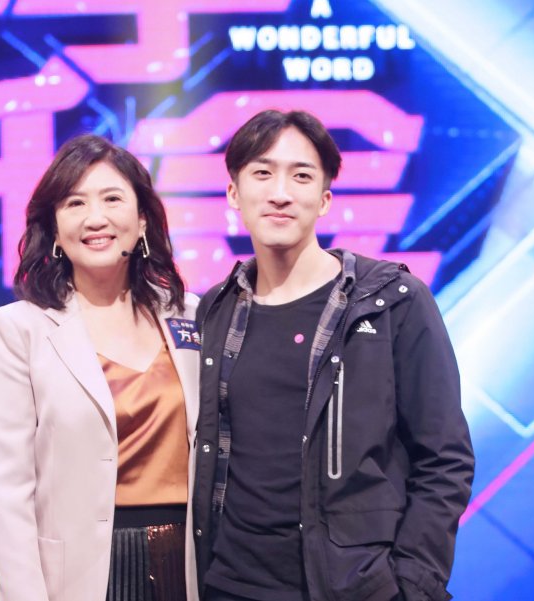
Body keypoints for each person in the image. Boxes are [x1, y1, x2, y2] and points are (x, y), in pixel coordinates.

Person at [192, 110, 475, 601]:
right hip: (230, 585)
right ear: (234, 193)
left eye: (301, 176)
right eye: (262, 173)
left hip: (352, 587)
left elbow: (444, 458)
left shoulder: (391, 302)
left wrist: (412, 585)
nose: (281, 192)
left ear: (324, 199)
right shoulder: (216, 309)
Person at [0, 134, 200, 601]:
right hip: (82, 574)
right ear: (55, 230)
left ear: (142, 219)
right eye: (75, 203)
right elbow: (8, 492)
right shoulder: (19, 330)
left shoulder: (192, 315)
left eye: (112, 199)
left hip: (191, 564)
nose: (95, 218)